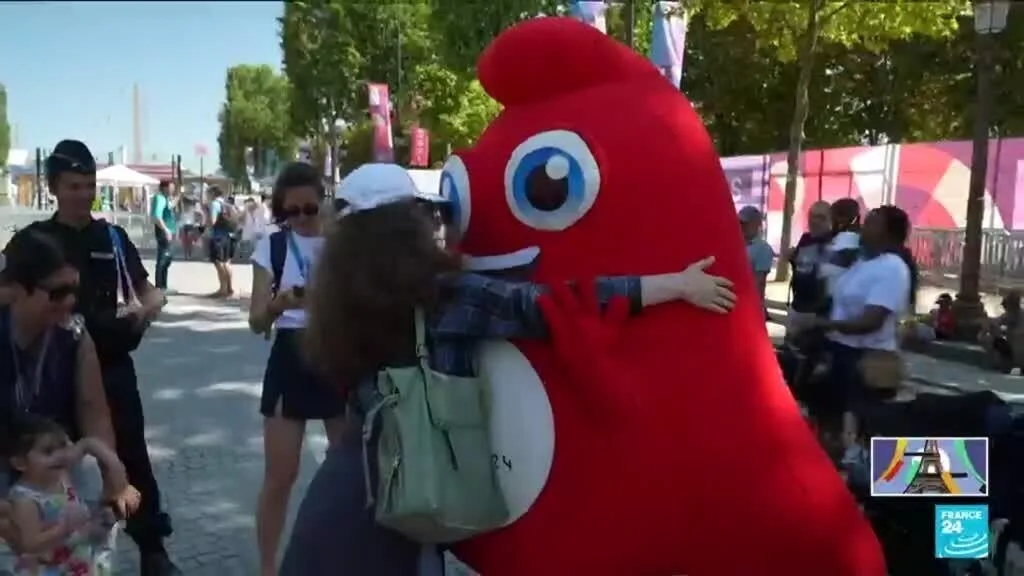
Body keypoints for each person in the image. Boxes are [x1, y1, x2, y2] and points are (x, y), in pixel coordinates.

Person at [278, 162, 736, 575]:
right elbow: (563, 304)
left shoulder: (340, 300)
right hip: (399, 505)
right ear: (404, 226)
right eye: (426, 214)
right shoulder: (442, 295)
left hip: (342, 494)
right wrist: (677, 285)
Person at [0, 140, 178, 575]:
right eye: (74, 185)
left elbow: (146, 288)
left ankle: (148, 546)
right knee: (32, 464)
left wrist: (150, 307)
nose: (84, 194)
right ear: (55, 187)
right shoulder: (33, 242)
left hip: (107, 361)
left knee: (128, 453)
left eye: (90, 185)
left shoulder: (112, 237)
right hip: (37, 375)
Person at [0, 227, 139, 572]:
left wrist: (112, 472)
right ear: (17, 291)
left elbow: (94, 412)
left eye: (74, 290)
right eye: (57, 292)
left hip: (52, 456)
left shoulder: (74, 335)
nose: (69, 302)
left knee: (95, 515)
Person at [246, 163, 345, 576]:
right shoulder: (272, 247)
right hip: (290, 354)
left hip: (338, 352)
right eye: (292, 211)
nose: (303, 218)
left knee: (348, 469)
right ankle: (268, 568)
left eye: (310, 207)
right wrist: (278, 304)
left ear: (323, 200)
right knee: (281, 475)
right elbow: (255, 321)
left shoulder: (343, 243)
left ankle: (345, 557)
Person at [803, 205, 917, 463]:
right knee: (827, 418)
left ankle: (861, 478)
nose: (864, 226)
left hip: (866, 359)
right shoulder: (862, 261)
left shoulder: (892, 268)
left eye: (873, 222)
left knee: (858, 429)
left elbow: (871, 321)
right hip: (839, 351)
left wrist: (824, 325)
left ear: (889, 233)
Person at [5, 414, 139, 575]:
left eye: (62, 446)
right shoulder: (25, 500)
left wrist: (99, 519)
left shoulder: (61, 476)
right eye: (48, 452)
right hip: (48, 569)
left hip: (76, 560)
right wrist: (65, 528)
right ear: (20, 463)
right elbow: (28, 544)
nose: (60, 455)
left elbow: (85, 444)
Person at [784, 200, 833, 335]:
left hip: (818, 311)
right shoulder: (805, 239)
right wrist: (793, 259)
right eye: (812, 216)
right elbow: (802, 268)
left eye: (821, 217)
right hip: (797, 305)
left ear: (831, 219)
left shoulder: (834, 241)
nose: (815, 221)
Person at [738, 205, 774, 305]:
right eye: (740, 223)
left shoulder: (763, 249)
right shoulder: (735, 244)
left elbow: (759, 284)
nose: (742, 226)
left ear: (757, 224)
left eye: (746, 223)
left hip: (748, 304)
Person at [980, 290, 1023, 372]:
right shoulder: (1015, 314)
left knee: (989, 339)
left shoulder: (1012, 314)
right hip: (1015, 352)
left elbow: (994, 324)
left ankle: (998, 365)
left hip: (1015, 355)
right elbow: (997, 321)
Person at [206, 186, 236, 298]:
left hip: (217, 237)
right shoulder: (227, 204)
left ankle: (222, 289)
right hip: (228, 236)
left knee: (219, 263)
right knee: (227, 262)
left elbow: (213, 221)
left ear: (213, 194)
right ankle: (229, 288)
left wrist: (205, 225)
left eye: (208, 193)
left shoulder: (214, 204)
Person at [150, 180, 176, 291]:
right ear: (164, 188)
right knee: (163, 259)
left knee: (166, 259)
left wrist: (178, 198)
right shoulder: (160, 198)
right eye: (171, 188)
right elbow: (156, 216)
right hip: (163, 231)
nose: (172, 190)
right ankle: (160, 286)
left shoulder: (164, 199)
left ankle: (163, 285)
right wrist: (166, 230)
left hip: (167, 231)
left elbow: (170, 206)